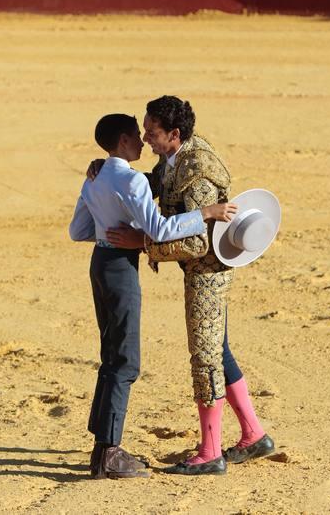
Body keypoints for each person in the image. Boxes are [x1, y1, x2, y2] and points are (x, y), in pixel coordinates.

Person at [104, 96, 275, 475]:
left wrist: (143, 243)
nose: (145, 137)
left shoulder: (198, 171)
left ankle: (211, 451)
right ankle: (253, 435)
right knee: (219, 351)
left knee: (205, 356)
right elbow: (157, 180)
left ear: (174, 134)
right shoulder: (176, 155)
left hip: (208, 270)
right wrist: (110, 166)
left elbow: (199, 241)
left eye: (151, 131)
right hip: (199, 267)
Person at [69, 113, 236, 479]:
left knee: (110, 354)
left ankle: (101, 449)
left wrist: (106, 229)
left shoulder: (95, 178)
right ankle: (109, 453)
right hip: (121, 269)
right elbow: (159, 230)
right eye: (136, 135)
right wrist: (204, 213)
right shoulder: (130, 180)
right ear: (123, 142)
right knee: (125, 360)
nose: (143, 140)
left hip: (100, 263)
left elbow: (77, 229)